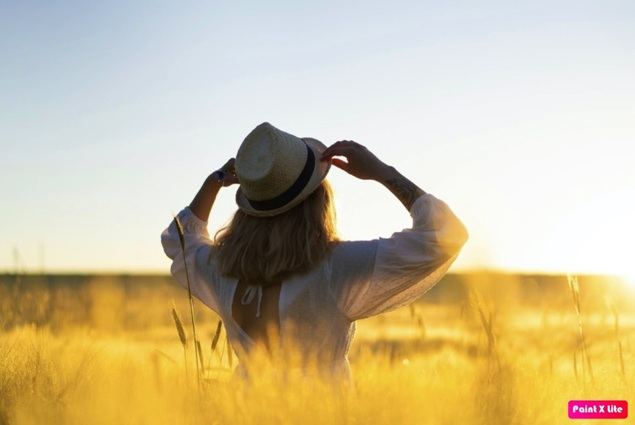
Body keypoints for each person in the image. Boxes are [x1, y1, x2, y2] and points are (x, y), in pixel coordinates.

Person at [161, 122, 468, 384]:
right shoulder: (336, 268)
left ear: (249, 208)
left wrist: (215, 181)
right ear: (317, 200)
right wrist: (382, 171)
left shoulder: (223, 270)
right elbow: (444, 235)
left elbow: (179, 240)